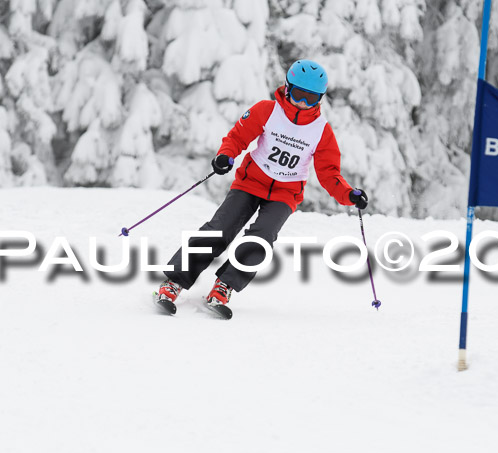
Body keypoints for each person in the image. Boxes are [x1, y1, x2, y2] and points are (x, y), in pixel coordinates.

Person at [157, 59, 369, 311]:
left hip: (285, 192)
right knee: (220, 229)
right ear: (288, 88)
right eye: (299, 94)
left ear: (319, 99)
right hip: (250, 182)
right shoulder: (267, 111)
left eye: (311, 98)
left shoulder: (321, 131)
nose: (303, 102)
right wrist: (226, 155)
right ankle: (174, 282)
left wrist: (349, 195)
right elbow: (238, 136)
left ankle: (224, 287)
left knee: (262, 238)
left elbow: (329, 173)